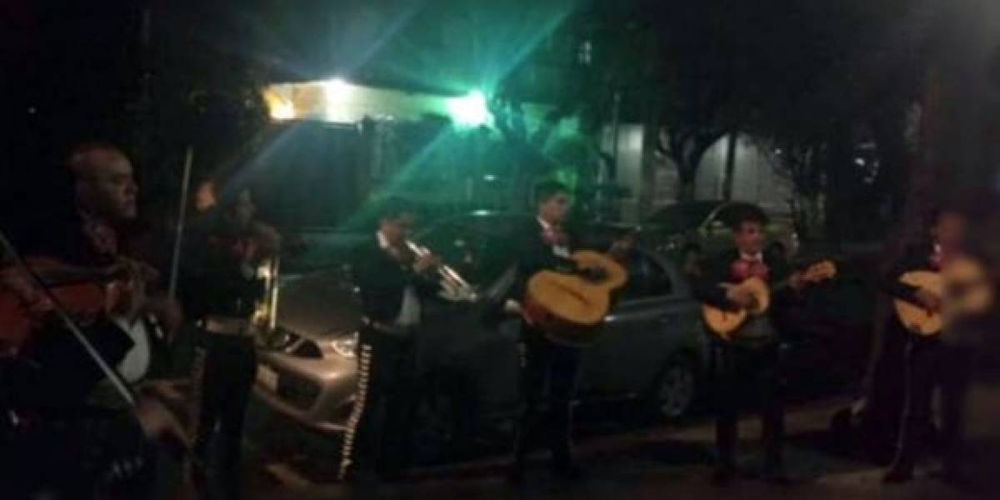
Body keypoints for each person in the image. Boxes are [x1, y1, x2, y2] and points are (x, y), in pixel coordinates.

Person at [0, 142, 186, 498]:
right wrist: (127, 308)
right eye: (116, 181)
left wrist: (136, 387)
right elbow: (59, 381)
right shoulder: (55, 245)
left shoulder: (109, 248)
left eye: (131, 179)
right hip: (77, 448)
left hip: (114, 419)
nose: (132, 189)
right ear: (82, 189)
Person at [693, 204, 805, 485]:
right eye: (750, 232)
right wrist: (730, 298)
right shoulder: (722, 261)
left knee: (772, 408)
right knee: (727, 406)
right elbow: (701, 288)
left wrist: (795, 289)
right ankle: (725, 464)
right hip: (735, 341)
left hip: (767, 341)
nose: (757, 237)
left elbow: (789, 302)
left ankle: (773, 465)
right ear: (738, 238)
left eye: (760, 232)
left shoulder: (777, 263)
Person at [181, 183, 279, 499]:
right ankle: (194, 482)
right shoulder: (213, 247)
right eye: (244, 205)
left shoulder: (250, 244)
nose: (250, 211)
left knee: (236, 420)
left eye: (251, 205)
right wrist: (246, 267)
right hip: (216, 341)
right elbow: (217, 289)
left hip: (243, 341)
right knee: (205, 420)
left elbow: (255, 291)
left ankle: (229, 481)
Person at [338, 199, 441, 484]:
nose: (407, 232)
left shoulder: (407, 253)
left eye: (410, 227)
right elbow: (377, 284)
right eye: (402, 225)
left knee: (402, 403)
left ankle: (391, 464)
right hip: (378, 335)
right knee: (368, 403)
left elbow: (426, 290)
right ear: (384, 221)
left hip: (407, 338)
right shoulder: (367, 250)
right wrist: (414, 271)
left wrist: (432, 273)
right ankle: (351, 464)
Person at [505, 181, 587, 483]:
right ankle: (519, 460)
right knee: (531, 396)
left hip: (570, 325)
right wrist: (551, 248)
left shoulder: (572, 236)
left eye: (567, 203)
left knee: (562, 396)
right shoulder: (525, 234)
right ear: (542, 204)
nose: (565, 209)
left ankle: (561, 458)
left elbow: (585, 267)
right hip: (538, 325)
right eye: (560, 202)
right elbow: (527, 263)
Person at [882, 206, 971, 483]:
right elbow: (886, 280)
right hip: (924, 342)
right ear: (934, 230)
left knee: (954, 407)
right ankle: (903, 465)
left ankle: (952, 466)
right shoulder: (915, 256)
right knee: (916, 407)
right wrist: (916, 293)